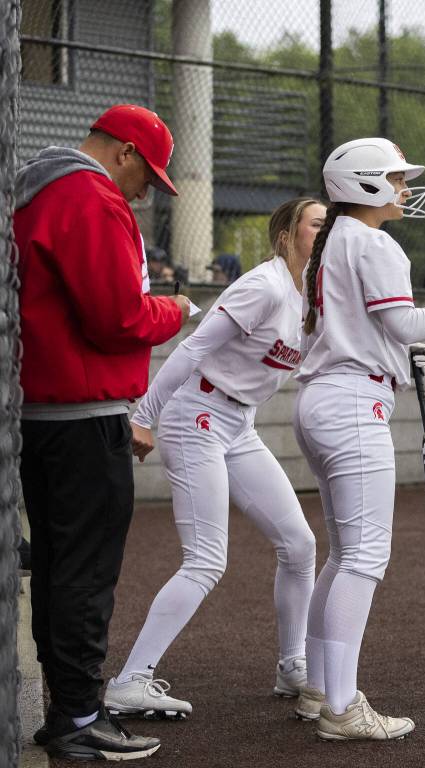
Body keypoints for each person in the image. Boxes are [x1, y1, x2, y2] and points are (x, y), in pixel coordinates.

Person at [294, 137, 425, 741]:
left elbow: (377, 331)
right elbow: (405, 321)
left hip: (327, 399)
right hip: (353, 404)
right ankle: (340, 706)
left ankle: (318, 689)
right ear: (364, 183)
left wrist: (394, 358)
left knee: (342, 555)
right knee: (362, 558)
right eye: (396, 178)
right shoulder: (372, 242)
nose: (405, 188)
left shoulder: (332, 244)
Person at [102, 198, 326, 722]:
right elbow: (193, 347)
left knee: (299, 544)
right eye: (318, 223)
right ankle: (130, 681)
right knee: (206, 560)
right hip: (195, 414)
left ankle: (293, 664)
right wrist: (144, 414)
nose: (328, 228)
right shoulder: (264, 286)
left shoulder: (310, 297)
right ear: (287, 236)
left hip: (237, 422)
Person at [14, 103, 191, 760]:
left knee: (63, 572)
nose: (147, 191)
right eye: (147, 175)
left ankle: (72, 712)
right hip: (83, 413)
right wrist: (176, 307)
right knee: (84, 574)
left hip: (46, 408)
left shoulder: (39, 188)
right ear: (123, 152)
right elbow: (117, 319)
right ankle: (79, 718)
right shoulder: (87, 194)